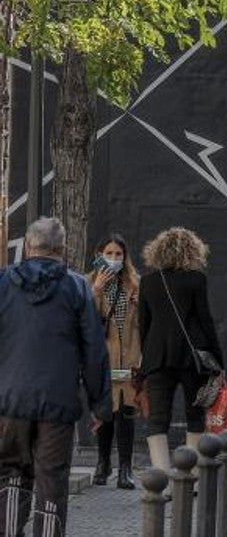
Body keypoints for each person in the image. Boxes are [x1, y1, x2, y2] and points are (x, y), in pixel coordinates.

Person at [0, 218, 110, 536]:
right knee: (51, 480)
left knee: (10, 474)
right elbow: (94, 349)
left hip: (8, 400)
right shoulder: (77, 288)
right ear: (61, 249)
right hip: (57, 403)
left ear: (28, 246)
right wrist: (100, 405)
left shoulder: (4, 283)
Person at [138, 227, 224, 471]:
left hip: (157, 357)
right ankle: (193, 475)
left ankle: (161, 479)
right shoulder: (197, 279)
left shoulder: (148, 282)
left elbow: (144, 325)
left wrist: (146, 359)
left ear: (158, 252)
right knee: (194, 415)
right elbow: (205, 320)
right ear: (192, 250)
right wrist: (218, 358)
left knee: (157, 420)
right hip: (191, 357)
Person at [89, 234, 142, 490]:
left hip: (129, 358)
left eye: (118, 254)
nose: (113, 259)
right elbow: (86, 320)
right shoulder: (88, 282)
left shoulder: (135, 283)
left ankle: (125, 468)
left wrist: (141, 305)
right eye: (108, 254)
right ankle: (102, 463)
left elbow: (144, 324)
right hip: (103, 359)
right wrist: (96, 291)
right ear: (99, 254)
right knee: (104, 413)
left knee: (126, 414)